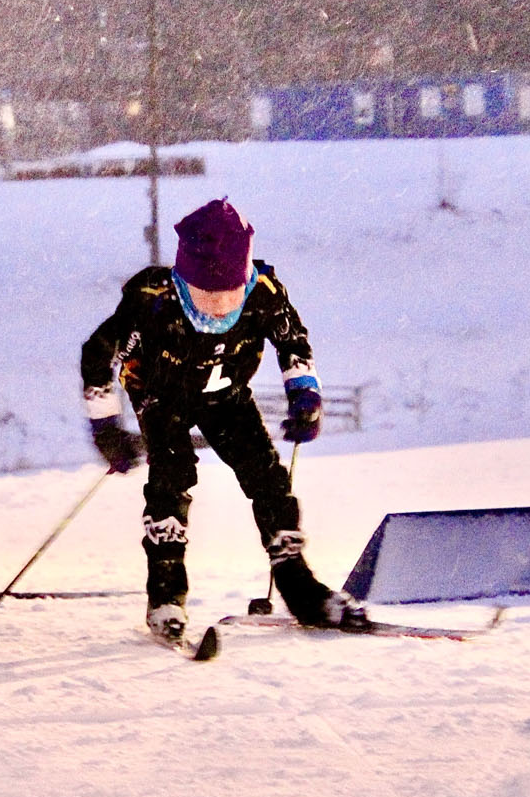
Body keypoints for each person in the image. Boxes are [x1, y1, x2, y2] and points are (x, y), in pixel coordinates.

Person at [79, 198, 365, 639]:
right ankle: (166, 597)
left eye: (227, 295)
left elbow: (294, 344)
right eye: (204, 295)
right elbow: (98, 356)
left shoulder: (264, 293)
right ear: (181, 281)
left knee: (267, 477)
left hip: (226, 394)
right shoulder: (152, 302)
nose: (215, 307)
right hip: (160, 393)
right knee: (172, 476)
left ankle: (299, 586)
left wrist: (305, 396)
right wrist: (106, 427)